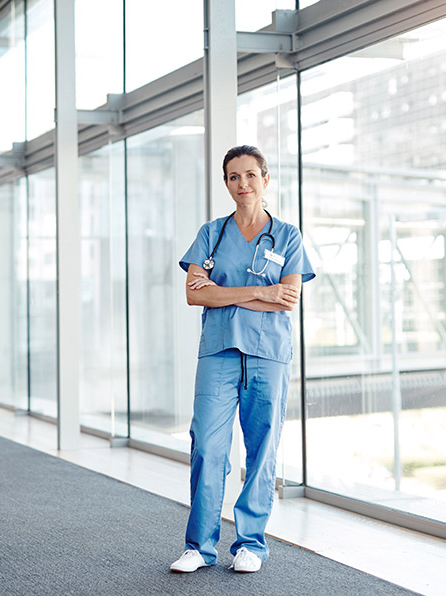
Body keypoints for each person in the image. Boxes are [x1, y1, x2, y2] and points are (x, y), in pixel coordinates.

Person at [170, 145, 315, 574]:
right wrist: (260, 292)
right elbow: (193, 294)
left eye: (250, 175)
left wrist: (226, 294)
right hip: (219, 351)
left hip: (268, 354)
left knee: (261, 448)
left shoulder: (287, 236)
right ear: (226, 183)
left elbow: (287, 301)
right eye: (233, 177)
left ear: (265, 179)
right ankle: (199, 546)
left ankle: (251, 543)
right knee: (207, 446)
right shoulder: (212, 233)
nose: (243, 184)